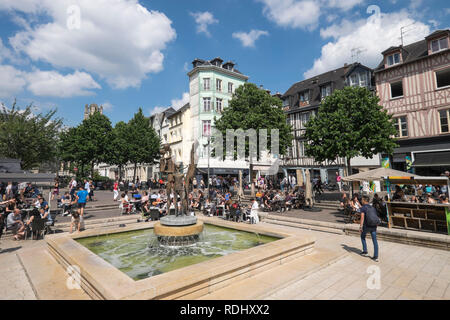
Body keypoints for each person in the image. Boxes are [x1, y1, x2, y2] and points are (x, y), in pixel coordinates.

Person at [359, 195, 379, 262]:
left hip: (367, 226)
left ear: (364, 200)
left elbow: (362, 218)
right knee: (374, 240)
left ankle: (365, 251)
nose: (361, 201)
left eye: (362, 200)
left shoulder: (363, 208)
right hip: (374, 225)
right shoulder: (372, 207)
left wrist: (360, 227)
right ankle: (376, 256)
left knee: (362, 236)